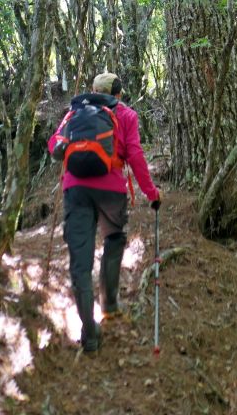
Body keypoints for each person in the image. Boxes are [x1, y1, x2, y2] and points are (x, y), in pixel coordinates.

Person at [47, 72, 161, 352]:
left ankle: (89, 332)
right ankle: (109, 304)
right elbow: (134, 155)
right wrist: (151, 193)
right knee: (114, 239)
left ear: (94, 90)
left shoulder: (77, 110)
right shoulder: (127, 115)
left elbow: (54, 146)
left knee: (80, 261)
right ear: (118, 94)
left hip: (76, 190)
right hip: (112, 189)